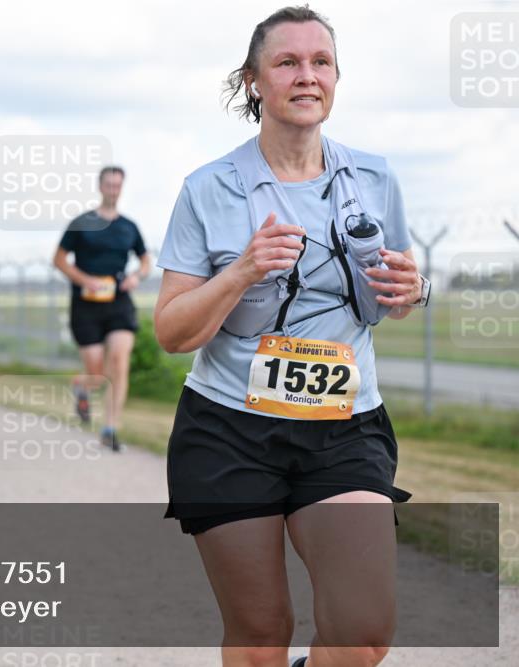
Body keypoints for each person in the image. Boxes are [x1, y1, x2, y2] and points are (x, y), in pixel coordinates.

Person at [153, 8, 427, 667]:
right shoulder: (208, 189)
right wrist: (242, 270)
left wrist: (412, 290)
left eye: (321, 62)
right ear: (254, 81)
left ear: (335, 77)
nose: (307, 75)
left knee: (361, 634)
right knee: (259, 633)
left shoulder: (375, 179)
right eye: (287, 62)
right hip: (229, 432)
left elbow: (393, 299)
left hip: (344, 429)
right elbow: (170, 331)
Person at [53, 166, 151, 452]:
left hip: (119, 303)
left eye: (117, 185)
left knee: (119, 363)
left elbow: (145, 261)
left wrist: (136, 277)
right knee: (97, 374)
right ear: (100, 186)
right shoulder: (82, 222)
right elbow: (59, 260)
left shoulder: (129, 227)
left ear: (121, 188)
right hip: (85, 306)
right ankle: (82, 387)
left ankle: (110, 427)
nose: (112, 190)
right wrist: (86, 281)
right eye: (108, 185)